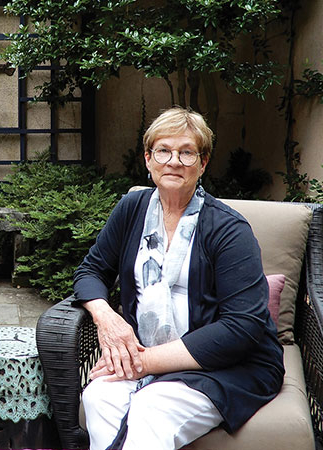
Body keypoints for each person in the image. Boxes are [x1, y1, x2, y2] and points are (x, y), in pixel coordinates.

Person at [74, 107, 284, 450]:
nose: (173, 161)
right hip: (143, 353)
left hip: (225, 366)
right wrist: (106, 318)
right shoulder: (132, 209)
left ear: (202, 164)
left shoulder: (230, 230)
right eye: (163, 151)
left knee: (152, 408)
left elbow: (242, 327)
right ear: (148, 159)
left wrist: (143, 362)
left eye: (187, 152)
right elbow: (91, 270)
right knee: (99, 396)